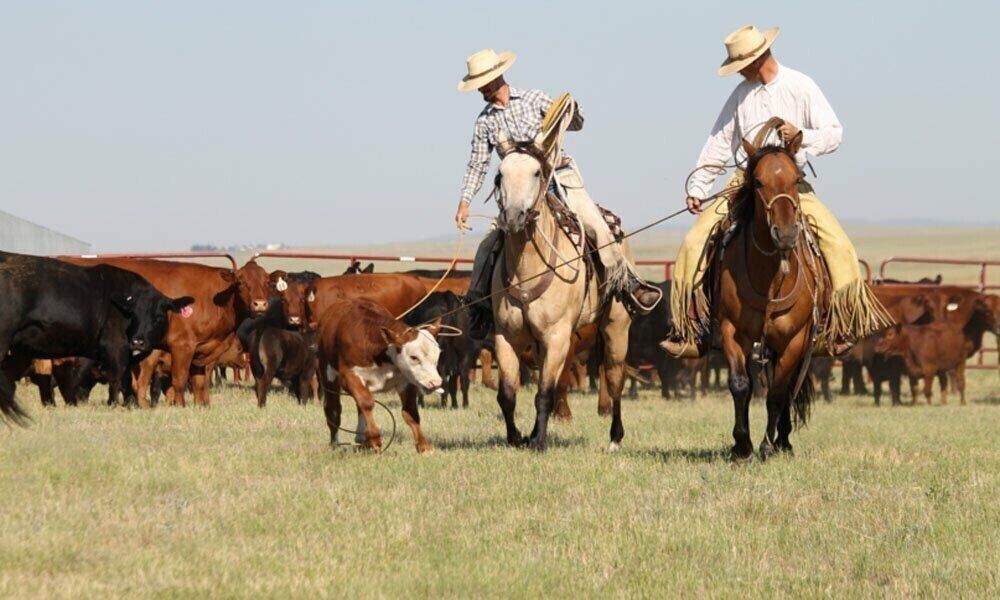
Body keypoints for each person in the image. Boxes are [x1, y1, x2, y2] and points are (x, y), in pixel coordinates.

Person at [661, 25, 890, 358]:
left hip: (789, 182)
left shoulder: (800, 85)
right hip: (746, 180)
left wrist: (802, 135)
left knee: (838, 244)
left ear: (757, 60)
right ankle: (692, 328)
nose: (739, 72)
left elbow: (834, 133)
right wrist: (698, 187)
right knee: (696, 241)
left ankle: (839, 325)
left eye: (741, 65)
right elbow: (719, 144)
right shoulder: (740, 95)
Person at [453, 49, 661, 338]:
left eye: (485, 83)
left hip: (556, 177)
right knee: (488, 245)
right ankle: (480, 306)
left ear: (498, 76)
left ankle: (626, 282)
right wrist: (465, 201)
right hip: (516, 190)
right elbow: (477, 163)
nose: (482, 90)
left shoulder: (533, 98)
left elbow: (576, 123)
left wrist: (571, 110)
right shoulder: (484, 121)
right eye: (478, 86)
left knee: (595, 224)